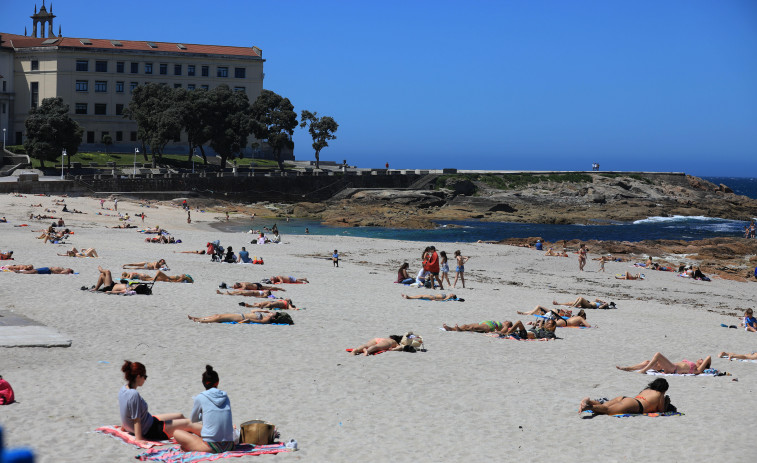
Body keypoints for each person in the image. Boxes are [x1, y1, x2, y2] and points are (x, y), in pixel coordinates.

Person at [119, 361, 200, 443]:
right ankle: (212, 436)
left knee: (180, 415)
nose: (145, 380)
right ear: (138, 377)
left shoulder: (123, 389)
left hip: (148, 420)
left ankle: (190, 431)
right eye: (145, 377)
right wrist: (139, 439)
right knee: (189, 423)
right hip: (151, 430)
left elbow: (125, 411)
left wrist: (124, 427)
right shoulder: (134, 394)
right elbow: (136, 420)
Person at [173, 365, 234, 453]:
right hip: (230, 445)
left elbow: (194, 419)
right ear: (217, 382)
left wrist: (203, 413)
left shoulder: (201, 397)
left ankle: (191, 446)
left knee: (177, 433)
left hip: (212, 446)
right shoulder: (225, 396)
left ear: (203, 382)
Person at [579, 378, 669, 415]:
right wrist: (666, 402)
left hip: (627, 399)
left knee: (605, 406)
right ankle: (588, 407)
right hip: (635, 404)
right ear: (663, 389)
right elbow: (661, 411)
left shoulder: (646, 390)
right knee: (608, 411)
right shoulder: (660, 394)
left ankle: (588, 401)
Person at [616, 352, 712, 374]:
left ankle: (643, 371)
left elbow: (709, 357)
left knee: (658, 355)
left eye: (702, 360)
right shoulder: (693, 364)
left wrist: (705, 366)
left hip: (673, 369)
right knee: (647, 362)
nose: (700, 358)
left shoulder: (697, 369)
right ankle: (628, 368)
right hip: (668, 367)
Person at [188, 309, 293, 324]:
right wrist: (263, 310)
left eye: (273, 313)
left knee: (219, 318)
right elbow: (252, 310)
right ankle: (199, 318)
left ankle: (201, 321)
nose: (271, 312)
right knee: (217, 315)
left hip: (241, 317)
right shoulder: (266, 314)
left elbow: (260, 322)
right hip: (241, 315)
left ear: (274, 317)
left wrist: (248, 320)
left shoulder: (268, 319)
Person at [122, 270, 193, 283]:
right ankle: (148, 279)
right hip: (168, 278)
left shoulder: (180, 278)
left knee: (156, 277)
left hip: (168, 278)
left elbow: (177, 281)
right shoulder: (180, 278)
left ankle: (150, 279)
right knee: (153, 279)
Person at [443, 320, 512, 333]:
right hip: (482, 323)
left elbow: (502, 332)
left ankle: (458, 329)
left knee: (472, 328)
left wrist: (497, 332)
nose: (506, 321)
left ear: (508, 324)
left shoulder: (505, 326)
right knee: (465, 325)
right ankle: (451, 328)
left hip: (488, 327)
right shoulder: (501, 323)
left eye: (507, 322)